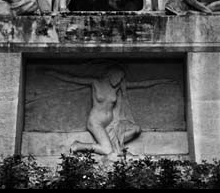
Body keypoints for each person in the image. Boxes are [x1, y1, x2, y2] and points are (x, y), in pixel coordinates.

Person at [44, 65, 175, 160]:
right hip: (96, 122)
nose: (119, 80)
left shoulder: (117, 87)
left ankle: (117, 144)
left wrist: (162, 81)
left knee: (135, 130)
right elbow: (73, 79)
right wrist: (53, 73)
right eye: (118, 77)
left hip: (112, 123)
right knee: (107, 150)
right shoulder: (95, 83)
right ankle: (79, 146)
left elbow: (140, 84)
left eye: (121, 79)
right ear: (111, 74)